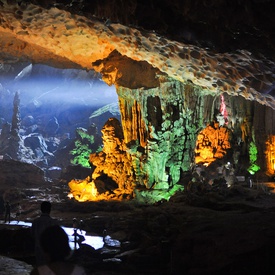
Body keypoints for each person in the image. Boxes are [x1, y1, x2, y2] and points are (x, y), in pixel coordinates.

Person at [31, 201, 58, 266]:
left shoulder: (35, 222)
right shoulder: (53, 222)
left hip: (38, 250)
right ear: (50, 209)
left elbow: (32, 235)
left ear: (41, 209)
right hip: (50, 251)